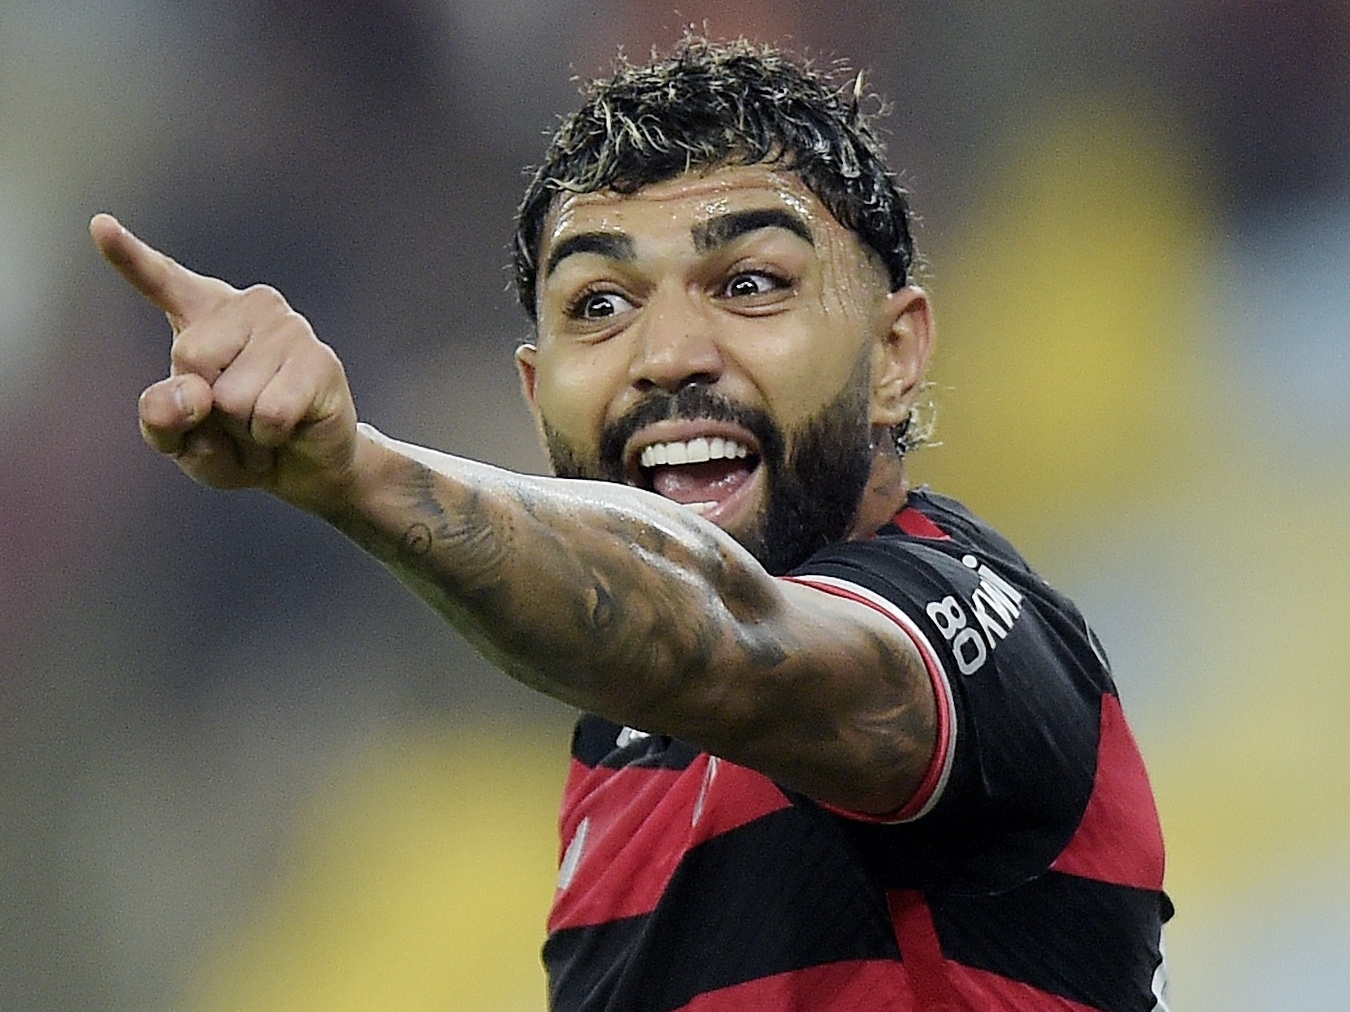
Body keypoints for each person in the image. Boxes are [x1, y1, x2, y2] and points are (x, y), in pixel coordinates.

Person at [92, 35, 1171, 1012]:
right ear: (535, 392)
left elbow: (725, 635)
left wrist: (355, 474)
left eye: (749, 283)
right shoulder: (623, 746)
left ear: (894, 356)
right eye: (600, 305)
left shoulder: (976, 648)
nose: (667, 356)